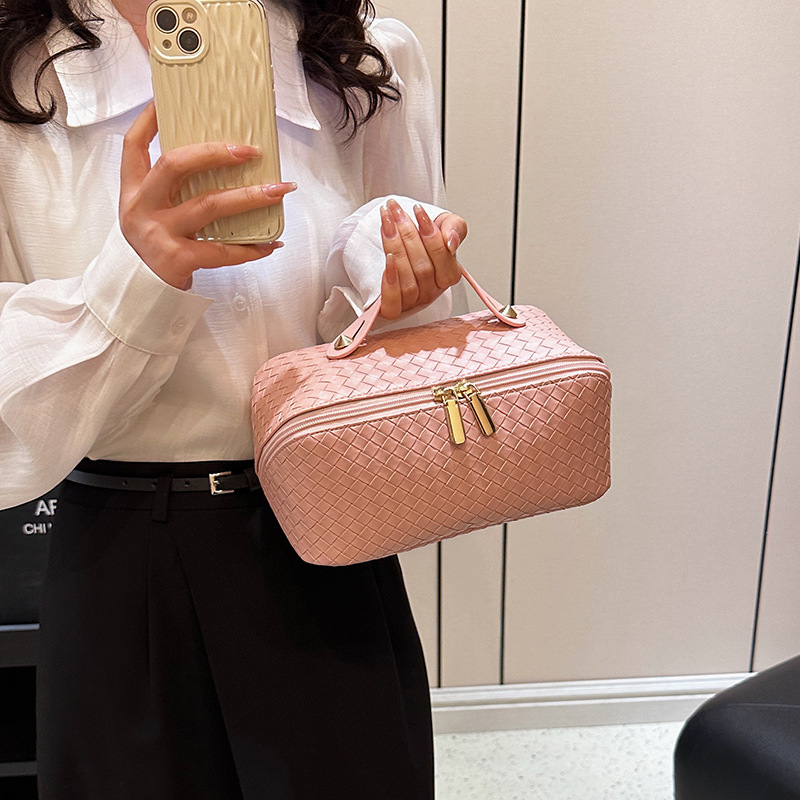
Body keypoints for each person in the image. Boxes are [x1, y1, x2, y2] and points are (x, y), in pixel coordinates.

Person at [0, 0, 470, 796]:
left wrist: (390, 284)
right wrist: (135, 280)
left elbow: (410, 332)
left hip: (325, 538)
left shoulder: (358, 55)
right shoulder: (18, 76)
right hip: (123, 559)